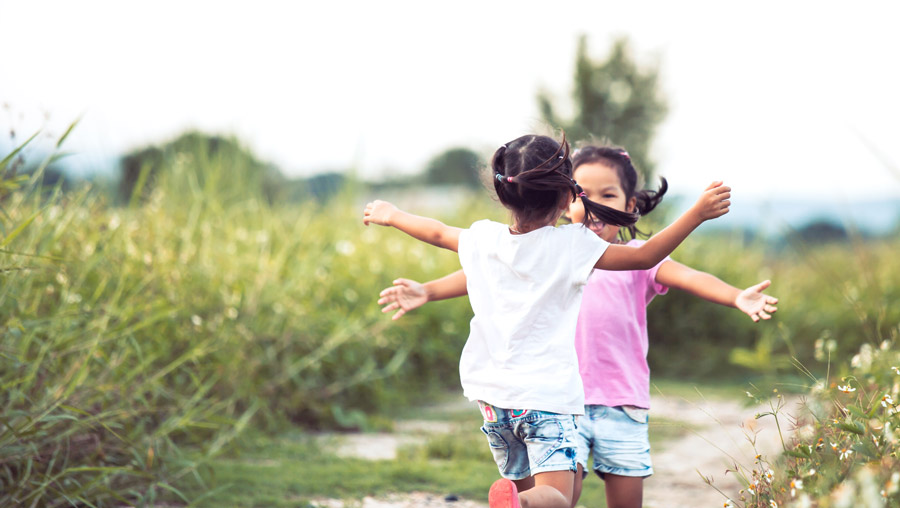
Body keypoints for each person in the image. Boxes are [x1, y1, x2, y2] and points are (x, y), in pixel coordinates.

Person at [375, 144, 777, 508]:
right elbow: (487, 276)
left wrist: (392, 216)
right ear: (568, 199)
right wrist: (696, 214)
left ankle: (520, 499)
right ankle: (526, 502)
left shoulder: (500, 240)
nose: (595, 204)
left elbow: (438, 232)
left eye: (608, 195)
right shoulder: (571, 247)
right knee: (559, 497)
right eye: (585, 193)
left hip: (564, 400)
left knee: (574, 491)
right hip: (557, 400)